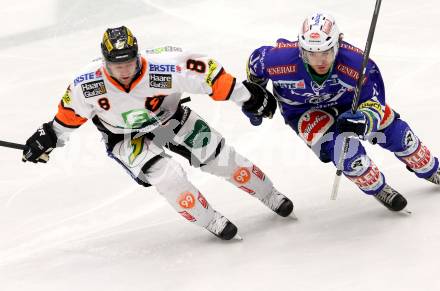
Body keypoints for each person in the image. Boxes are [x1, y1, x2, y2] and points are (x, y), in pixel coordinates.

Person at [22, 26, 294, 240]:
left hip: (169, 122)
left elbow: (210, 74)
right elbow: (69, 115)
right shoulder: (87, 83)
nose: (124, 71)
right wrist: (48, 138)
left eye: (129, 63)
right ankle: (209, 218)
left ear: (138, 55)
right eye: (117, 66)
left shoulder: (164, 65)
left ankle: (269, 194)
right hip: (125, 138)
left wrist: (246, 96)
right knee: (167, 175)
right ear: (105, 62)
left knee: (221, 158)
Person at [244, 12, 440, 212]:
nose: (319, 61)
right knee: (346, 155)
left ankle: (429, 168)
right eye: (311, 54)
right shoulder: (279, 60)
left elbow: (375, 101)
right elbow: (255, 64)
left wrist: (365, 120)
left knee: (398, 135)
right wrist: (255, 95)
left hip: (350, 103)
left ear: (338, 44)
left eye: (326, 53)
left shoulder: (357, 64)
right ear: (301, 49)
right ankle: (377, 187)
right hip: (303, 110)